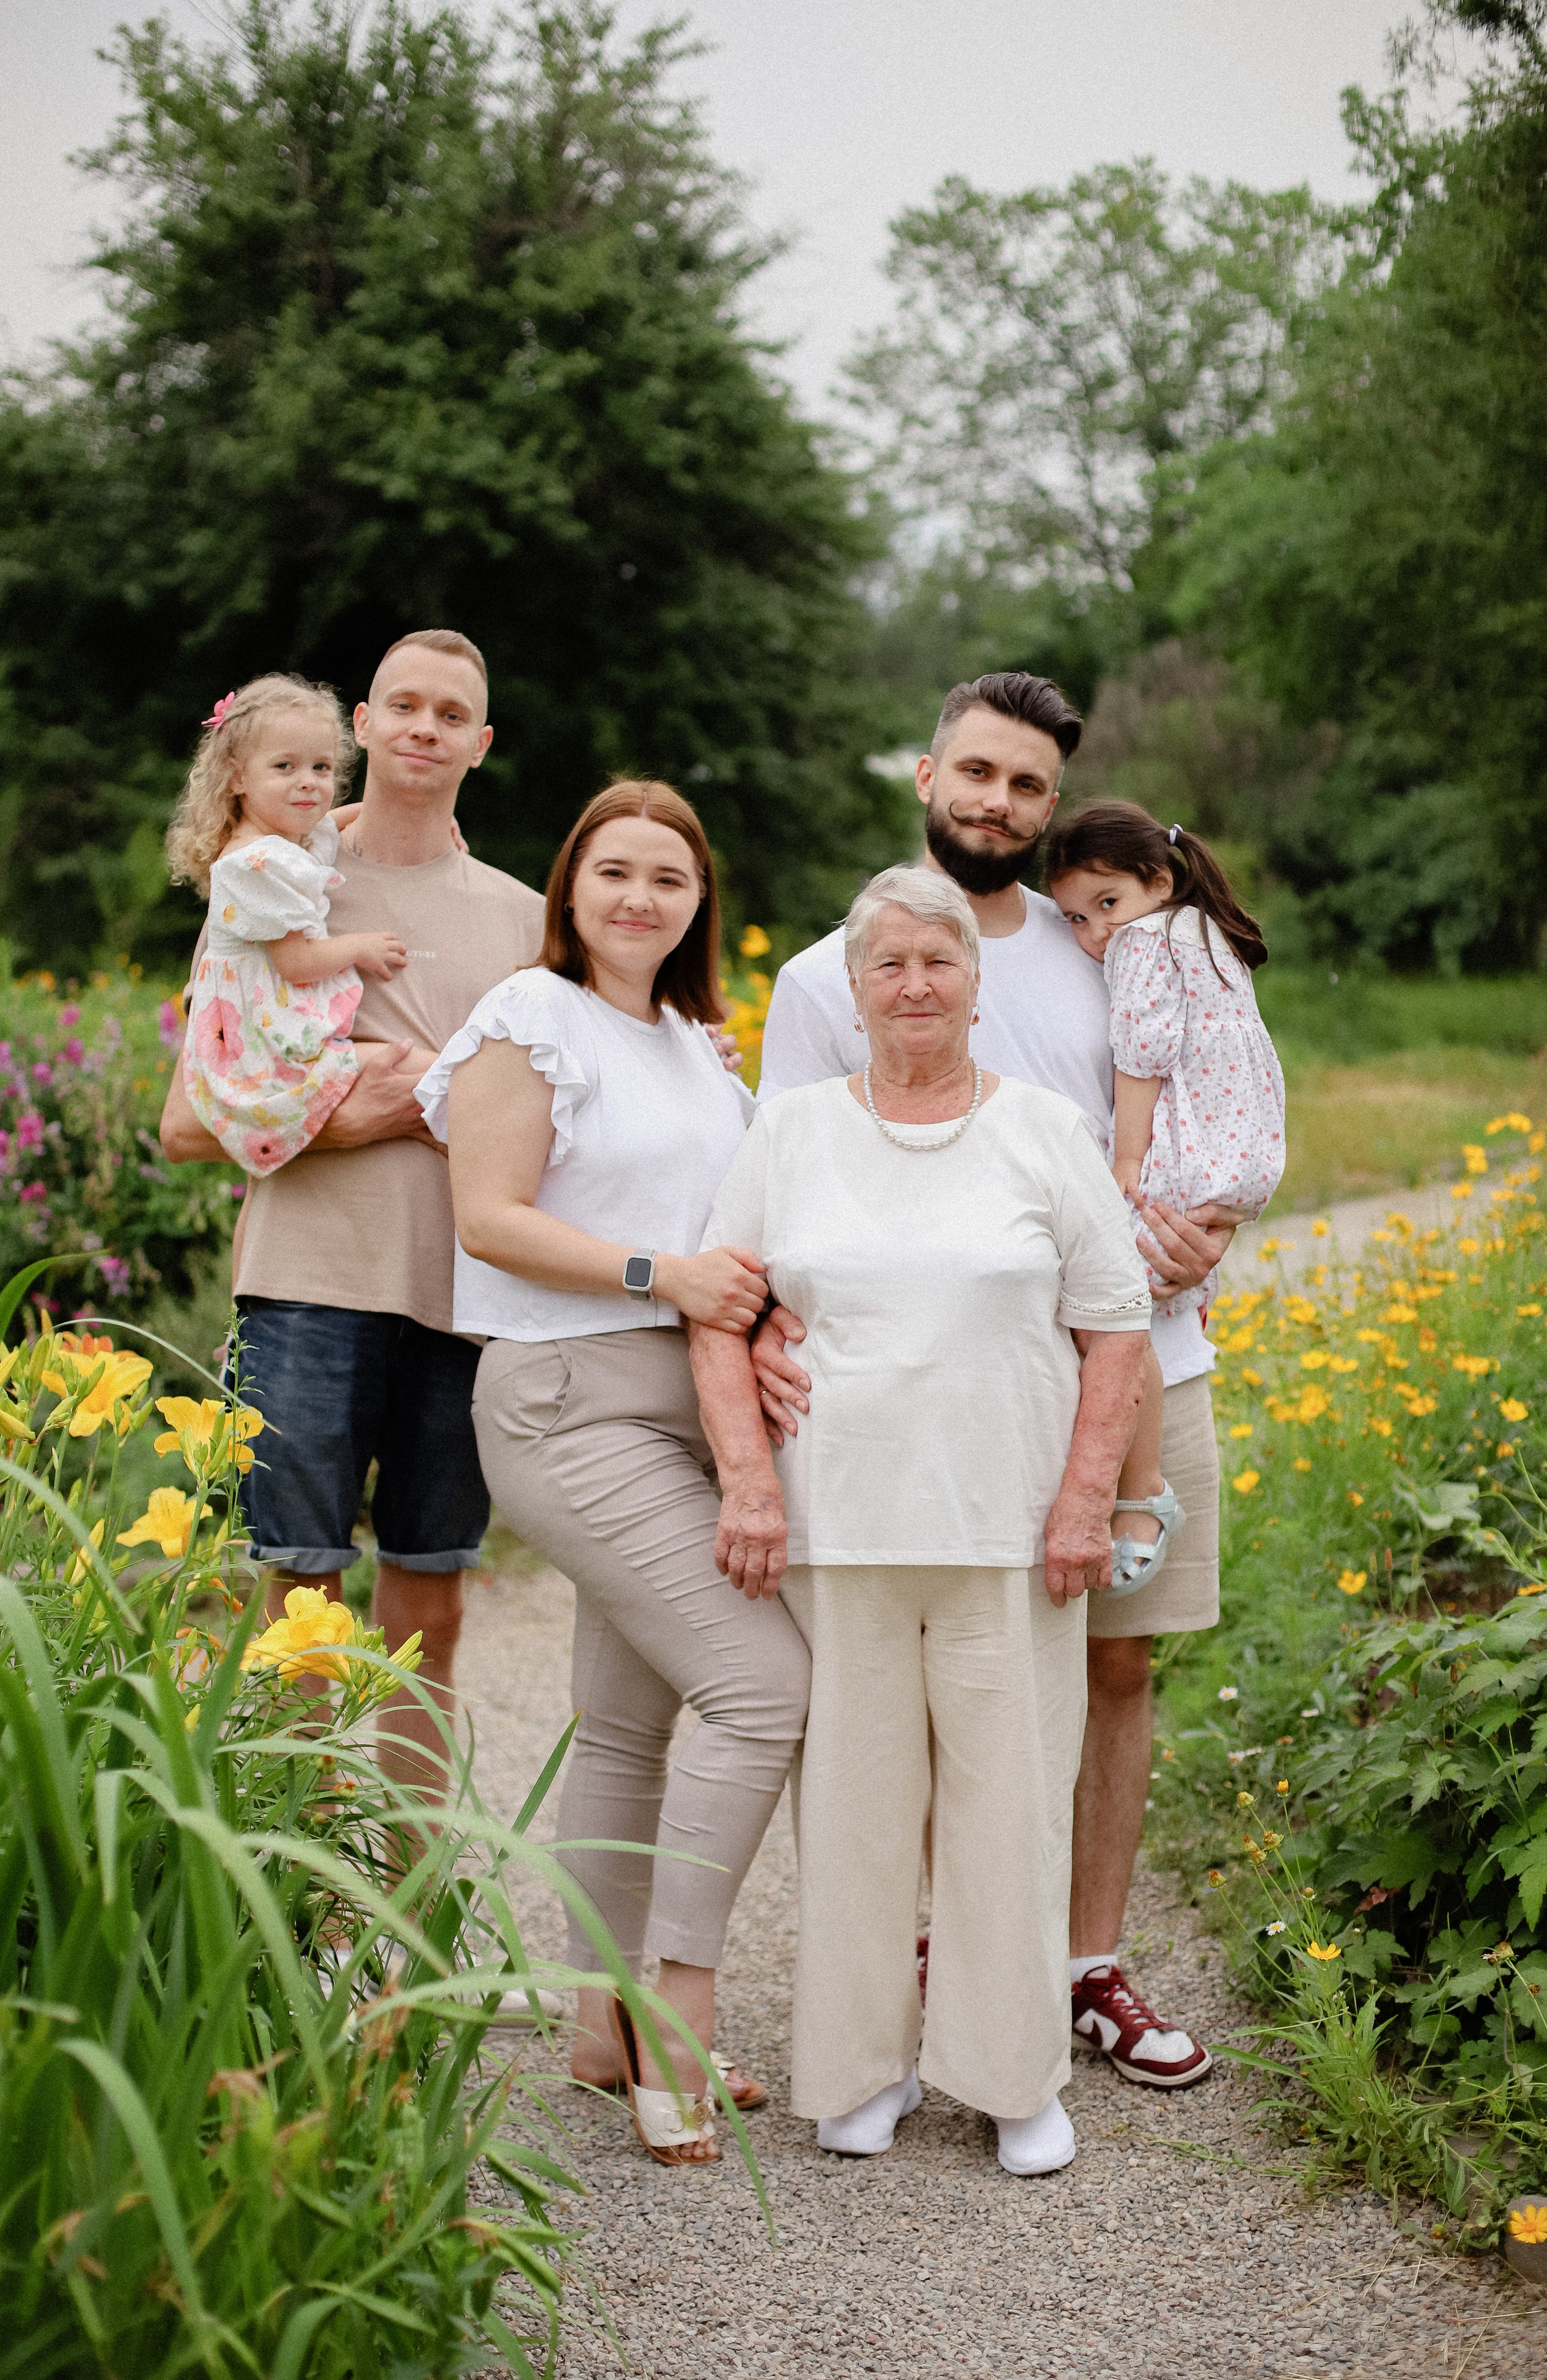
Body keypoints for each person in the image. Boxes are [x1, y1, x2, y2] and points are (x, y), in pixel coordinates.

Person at [755, 670, 1232, 2088]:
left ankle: (1083, 1962)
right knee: (917, 1674)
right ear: (923, 774)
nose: (996, 802)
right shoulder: (837, 968)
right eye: (974, 772)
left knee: (1120, 1655)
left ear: (1049, 803)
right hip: (923, 1388)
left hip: (1140, 1356)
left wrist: (1224, 1210)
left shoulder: (1109, 948)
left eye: (1025, 783)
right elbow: (786, 1180)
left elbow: (1211, 1095)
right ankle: (930, 1960)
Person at [692, 865, 1151, 2174]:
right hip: (835, 1530)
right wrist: (743, 1480)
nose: (911, 985)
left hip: (1010, 1532)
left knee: (1009, 1806)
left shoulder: (1045, 1129)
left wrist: (1082, 1501)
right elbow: (717, 1315)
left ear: (972, 981)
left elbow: (1113, 1329)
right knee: (851, 1810)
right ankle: (859, 2068)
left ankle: (1012, 2081)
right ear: (850, 986)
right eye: (886, 964)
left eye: (936, 963)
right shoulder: (788, 1132)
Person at [416, 780, 809, 2169]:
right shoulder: (529, 1020)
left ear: (699, 903)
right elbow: (489, 1216)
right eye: (614, 871)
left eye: (669, 877)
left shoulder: (700, 1048)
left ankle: (595, 2028)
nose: (640, 897)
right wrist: (665, 1276)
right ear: (569, 888)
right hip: (565, 1402)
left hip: (681, 1412)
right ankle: (667, 2012)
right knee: (765, 1689)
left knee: (630, 1727)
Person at [159, 629, 544, 1783]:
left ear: (481, 744)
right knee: (300, 1597)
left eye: (451, 713)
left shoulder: (527, 919)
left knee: (431, 1605)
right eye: (402, 705)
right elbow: (187, 1121)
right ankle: (298, 1903)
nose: (424, 727)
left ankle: (405, 1908)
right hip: (308, 1289)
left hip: (464, 1298)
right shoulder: (275, 876)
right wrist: (373, 1111)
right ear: (363, 725)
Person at [1046, 800, 1287, 1583]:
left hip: (1182, 1157)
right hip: (1240, 1155)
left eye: (1105, 905)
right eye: (1076, 920)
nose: (1095, 935)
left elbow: (1141, 1057)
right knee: (1149, 1297)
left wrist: (1125, 1162)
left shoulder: (1143, 945)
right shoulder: (1205, 929)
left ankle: (1142, 1489)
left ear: (1155, 880)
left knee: (1116, 1314)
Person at [165, 674, 410, 1176]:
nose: (309, 781)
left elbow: (332, 823)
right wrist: (360, 947)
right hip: (262, 1044)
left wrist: (412, 818)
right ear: (238, 778)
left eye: (321, 767)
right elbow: (297, 964)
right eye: (285, 766)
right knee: (421, 1077)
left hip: (269, 1024)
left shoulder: (280, 838)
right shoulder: (256, 864)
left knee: (420, 1095)